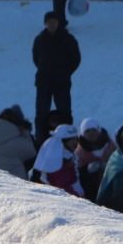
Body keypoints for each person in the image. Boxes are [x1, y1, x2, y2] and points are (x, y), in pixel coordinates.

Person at [32, 10, 81, 146]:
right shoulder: (40, 39)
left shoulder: (68, 39)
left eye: (54, 22)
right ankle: (40, 139)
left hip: (62, 82)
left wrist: (65, 72)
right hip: (43, 81)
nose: (52, 24)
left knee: (64, 111)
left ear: (58, 23)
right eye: (49, 22)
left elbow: (76, 59)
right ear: (45, 24)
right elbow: (36, 58)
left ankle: (68, 138)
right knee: (41, 112)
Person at [34, 124, 83, 196]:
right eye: (72, 139)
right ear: (63, 142)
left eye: (76, 139)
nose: (76, 142)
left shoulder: (67, 158)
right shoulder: (55, 162)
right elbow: (63, 187)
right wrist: (80, 199)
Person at [74, 117, 116, 200]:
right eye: (87, 131)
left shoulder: (110, 146)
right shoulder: (79, 151)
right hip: (90, 189)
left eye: (93, 130)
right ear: (82, 134)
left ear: (99, 130)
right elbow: (76, 172)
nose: (91, 133)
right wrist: (86, 169)